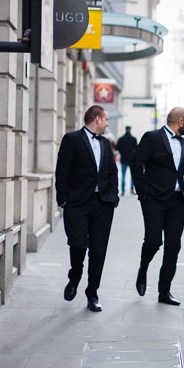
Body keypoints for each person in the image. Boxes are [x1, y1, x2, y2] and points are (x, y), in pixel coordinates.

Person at [54, 105, 120, 312]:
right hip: (77, 204)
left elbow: (112, 171)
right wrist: (63, 199)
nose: (108, 123)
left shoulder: (105, 143)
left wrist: (113, 196)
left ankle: (92, 293)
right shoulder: (72, 139)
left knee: (99, 251)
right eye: (107, 119)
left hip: (103, 205)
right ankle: (74, 277)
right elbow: (62, 170)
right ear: (97, 119)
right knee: (78, 244)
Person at [131, 107, 184, 305]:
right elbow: (136, 163)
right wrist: (144, 192)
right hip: (154, 199)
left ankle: (164, 292)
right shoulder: (152, 137)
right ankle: (143, 267)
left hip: (176, 201)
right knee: (154, 241)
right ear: (180, 121)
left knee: (173, 246)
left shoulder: (183, 143)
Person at [116, 126, 137, 195]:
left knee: (123, 175)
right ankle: (131, 189)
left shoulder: (121, 139)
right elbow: (136, 148)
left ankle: (122, 191)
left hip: (124, 159)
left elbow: (117, 148)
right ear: (130, 130)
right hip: (132, 159)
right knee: (132, 175)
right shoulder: (133, 139)